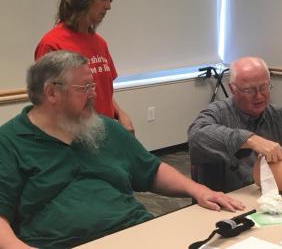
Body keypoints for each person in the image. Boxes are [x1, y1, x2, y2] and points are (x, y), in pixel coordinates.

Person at [0, 51, 245, 249]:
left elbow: (151, 169)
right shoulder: (9, 141)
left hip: (135, 231)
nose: (94, 94)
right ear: (51, 92)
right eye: (84, 87)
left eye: (93, 85)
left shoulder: (104, 127)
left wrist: (198, 190)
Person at [188, 57, 282, 193]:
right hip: (228, 203)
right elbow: (196, 135)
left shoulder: (279, 115)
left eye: (264, 87)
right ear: (232, 89)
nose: (259, 96)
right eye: (249, 90)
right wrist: (251, 140)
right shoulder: (218, 112)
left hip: (274, 197)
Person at [35, 0, 135, 133]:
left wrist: (120, 114)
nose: (108, 6)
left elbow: (103, 94)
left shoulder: (100, 43)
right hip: (74, 139)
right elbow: (46, 105)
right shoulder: (52, 44)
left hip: (104, 133)